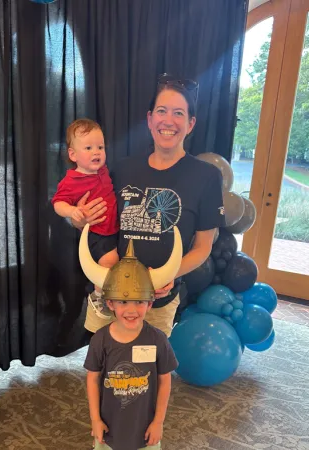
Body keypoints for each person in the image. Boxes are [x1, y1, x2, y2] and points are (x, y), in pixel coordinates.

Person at [74, 74, 226, 337]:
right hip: (111, 296)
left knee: (149, 372)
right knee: (103, 369)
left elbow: (203, 247)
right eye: (161, 111)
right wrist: (78, 220)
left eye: (178, 113)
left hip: (159, 302)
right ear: (149, 119)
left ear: (191, 124)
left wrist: (169, 276)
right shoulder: (120, 169)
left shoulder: (207, 176)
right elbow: (96, 224)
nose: (168, 120)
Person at [80, 223, 181, 450]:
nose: (132, 310)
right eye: (123, 301)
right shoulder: (100, 340)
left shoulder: (157, 340)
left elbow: (165, 380)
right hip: (109, 430)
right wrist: (95, 419)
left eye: (139, 302)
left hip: (146, 432)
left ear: (150, 303)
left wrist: (158, 422)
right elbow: (92, 379)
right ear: (110, 303)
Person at [51, 119, 119, 319]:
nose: (96, 152)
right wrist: (72, 211)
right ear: (73, 155)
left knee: (115, 263)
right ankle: (98, 297)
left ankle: (103, 292)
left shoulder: (103, 171)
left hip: (112, 230)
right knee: (109, 261)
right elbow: (57, 203)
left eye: (100, 147)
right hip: (97, 233)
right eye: (88, 148)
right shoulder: (71, 180)